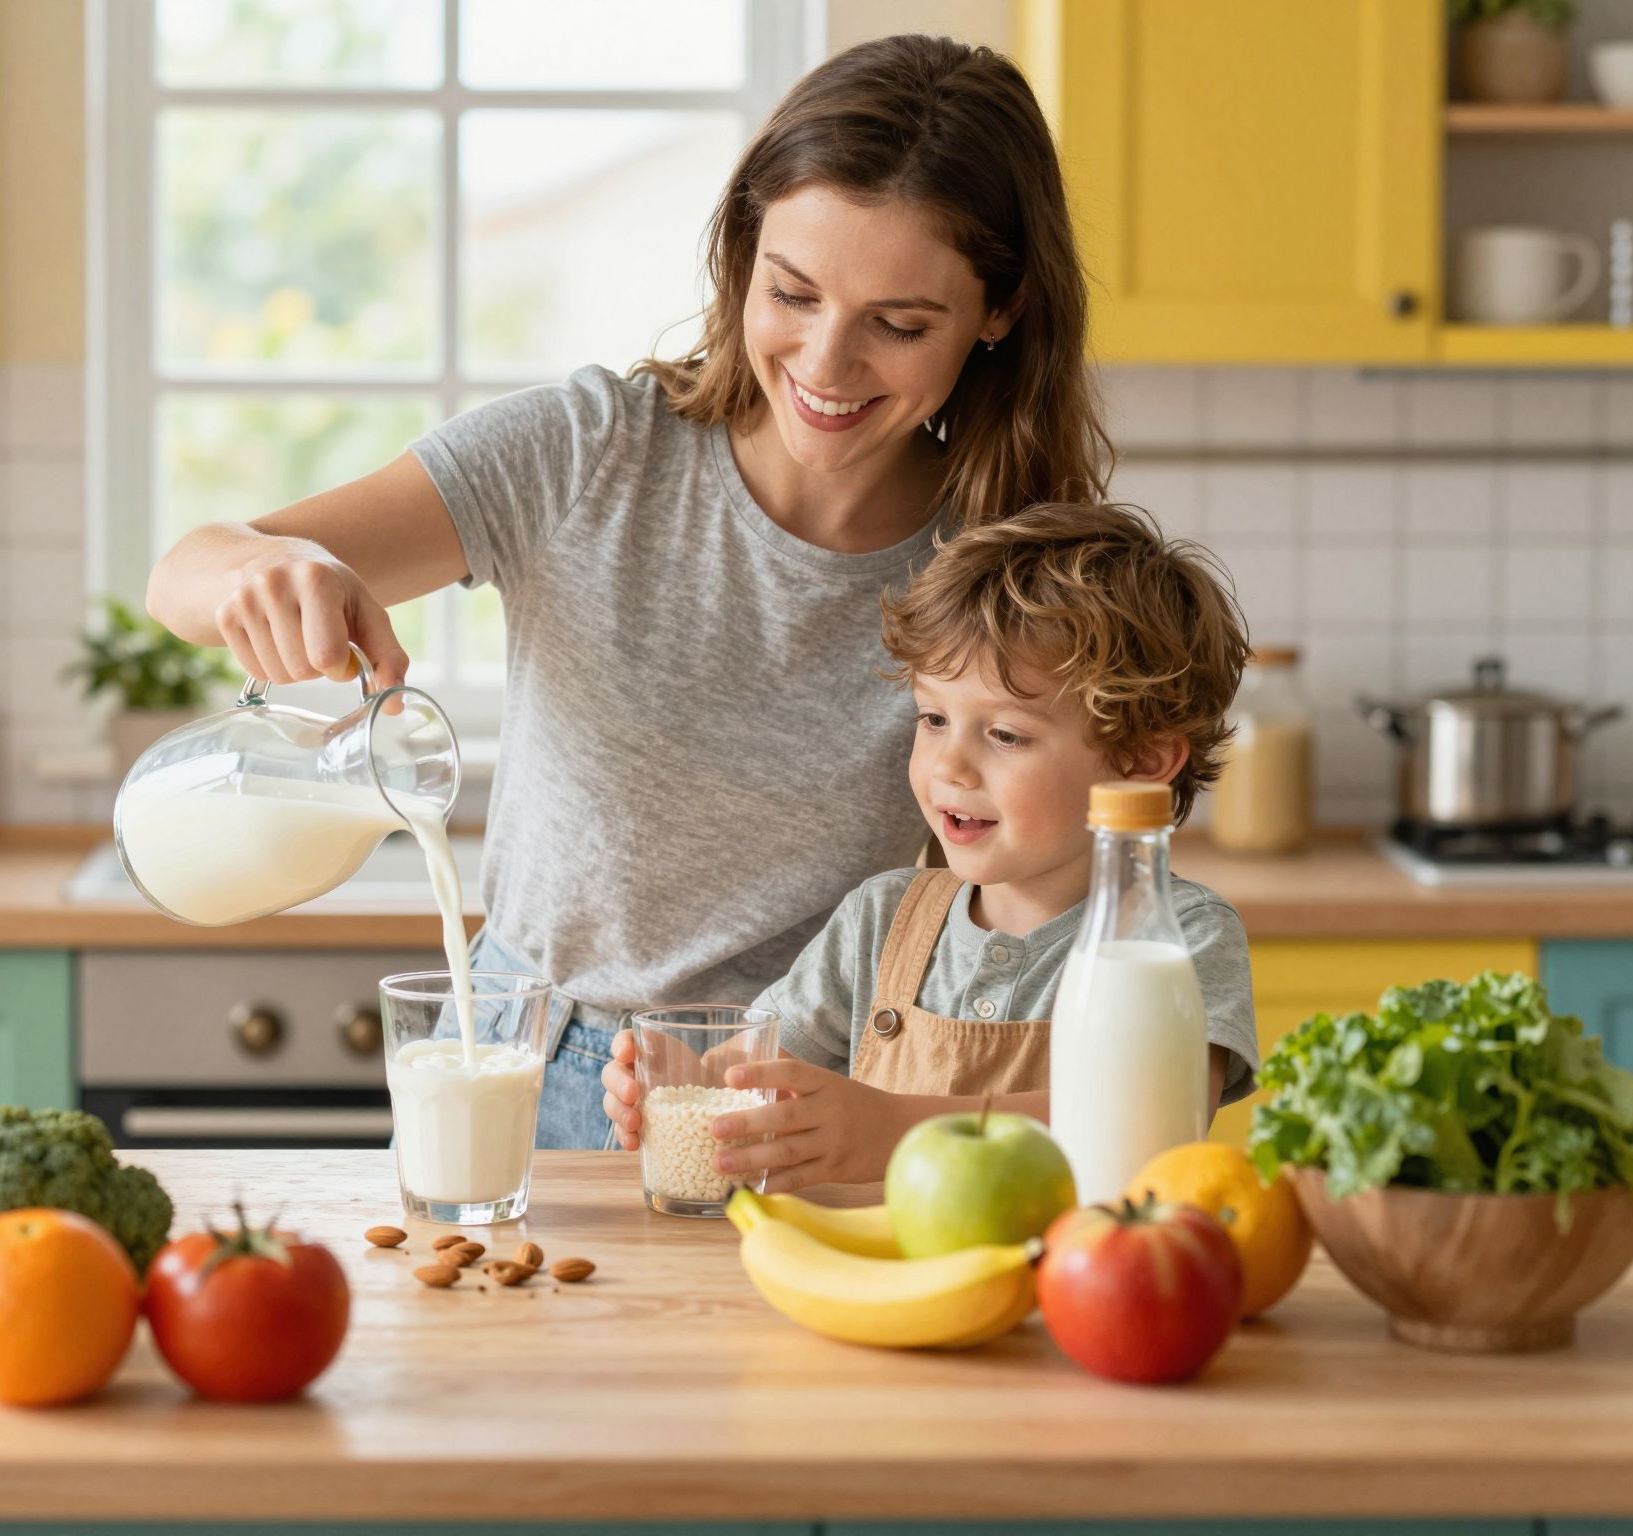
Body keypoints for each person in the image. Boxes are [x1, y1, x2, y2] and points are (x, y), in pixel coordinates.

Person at [145, 35, 1111, 1148]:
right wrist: (271, 570)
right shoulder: (591, 454)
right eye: (790, 292)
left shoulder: (1005, 567)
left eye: (898, 325)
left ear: (999, 311)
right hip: (526, 1062)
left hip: (803, 1100)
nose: (825, 363)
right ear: (742, 252)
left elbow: (1064, 900)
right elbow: (187, 571)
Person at [600, 503, 1261, 1191]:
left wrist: (891, 1132)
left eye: (1005, 734)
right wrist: (687, 1080)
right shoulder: (880, 921)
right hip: (890, 1283)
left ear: (1142, 760)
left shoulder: (1176, 941)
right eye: (934, 718)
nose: (949, 768)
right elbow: (746, 1077)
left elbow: (1151, 1121)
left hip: (1084, 1283)